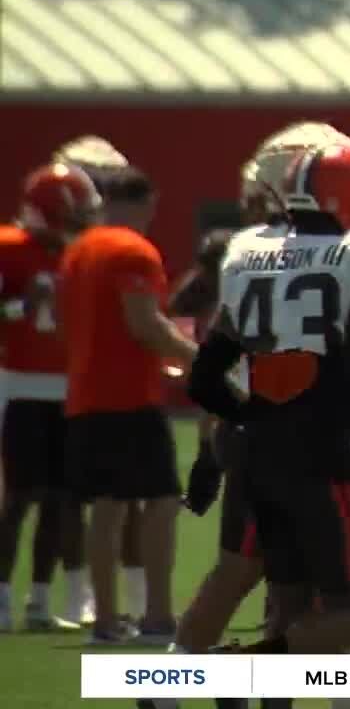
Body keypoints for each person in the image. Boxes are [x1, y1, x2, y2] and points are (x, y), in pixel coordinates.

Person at [189, 140, 350, 669]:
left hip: (255, 448)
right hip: (321, 455)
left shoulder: (246, 252)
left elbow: (205, 375)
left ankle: (168, 685)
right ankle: (242, 669)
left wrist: (242, 425)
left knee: (285, 601)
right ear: (349, 198)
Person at [53, 135, 151, 626]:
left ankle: (119, 600)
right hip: (77, 382)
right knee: (78, 496)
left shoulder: (97, 249)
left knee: (123, 501)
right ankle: (79, 595)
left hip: (92, 383)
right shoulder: (88, 249)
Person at [0, 163, 101, 632]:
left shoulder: (84, 253)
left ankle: (41, 600)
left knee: (62, 500)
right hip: (19, 385)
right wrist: (22, 305)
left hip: (68, 388)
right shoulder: (9, 248)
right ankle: (2, 598)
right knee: (19, 497)